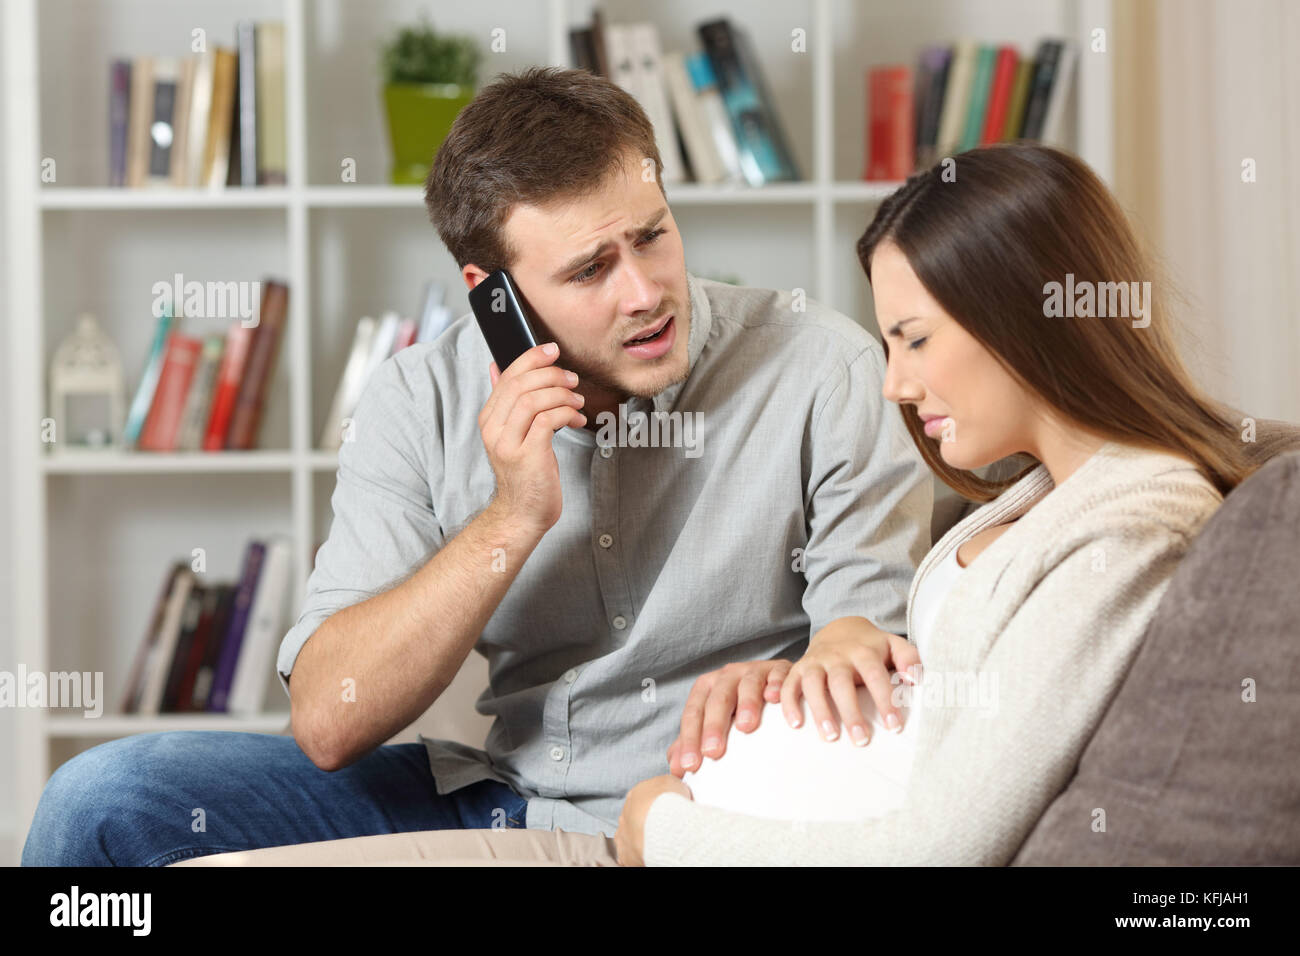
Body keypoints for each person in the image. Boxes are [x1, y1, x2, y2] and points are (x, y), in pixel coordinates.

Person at [21, 67, 931, 866]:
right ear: (491, 295)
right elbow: (332, 722)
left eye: (652, 235)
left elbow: (857, 649)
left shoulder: (825, 368)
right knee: (102, 802)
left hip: (700, 811)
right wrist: (512, 516)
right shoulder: (419, 399)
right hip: (500, 788)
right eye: (590, 270)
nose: (646, 293)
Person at [613, 142, 1259, 865]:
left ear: (1026, 316)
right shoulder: (1055, 489)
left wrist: (659, 830)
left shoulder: (1136, 526)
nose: (894, 386)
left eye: (914, 340)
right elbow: (960, 701)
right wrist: (807, 675)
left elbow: (941, 847)